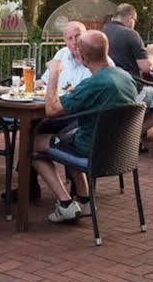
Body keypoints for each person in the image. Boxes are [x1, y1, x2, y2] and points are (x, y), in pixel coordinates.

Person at [31, 29, 139, 223]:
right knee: (69, 137)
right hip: (120, 151)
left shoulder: (94, 83)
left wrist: (55, 73)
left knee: (36, 144)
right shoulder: (125, 76)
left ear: (81, 55)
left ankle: (65, 204)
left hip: (91, 150)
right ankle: (86, 201)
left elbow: (52, 110)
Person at [104, 3, 153, 113]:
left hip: (109, 90)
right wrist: (152, 54)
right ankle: (136, 130)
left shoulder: (102, 32)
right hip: (132, 89)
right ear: (130, 19)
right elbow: (146, 67)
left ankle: (131, 129)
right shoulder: (131, 34)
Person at [44, 20, 94, 94]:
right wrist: (26, 84)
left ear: (86, 36)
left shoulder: (97, 56)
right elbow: (44, 81)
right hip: (60, 102)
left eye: (78, 36)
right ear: (65, 41)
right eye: (70, 38)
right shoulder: (62, 53)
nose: (74, 42)